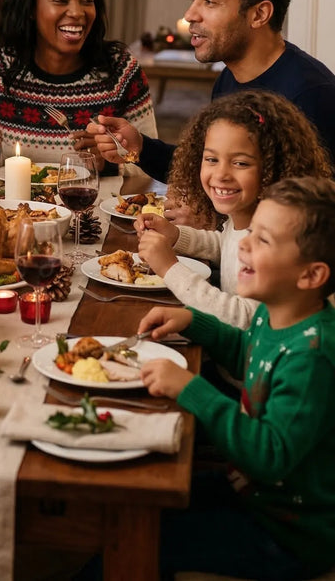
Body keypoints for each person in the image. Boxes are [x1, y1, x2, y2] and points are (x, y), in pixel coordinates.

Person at [138, 177, 335, 581]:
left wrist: (191, 388)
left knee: (141, 536)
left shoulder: (312, 356)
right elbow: (251, 354)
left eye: (263, 240)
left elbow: (269, 454)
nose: (243, 243)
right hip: (252, 492)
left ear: (311, 275)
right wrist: (196, 322)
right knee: (145, 506)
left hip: (289, 532)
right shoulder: (277, 310)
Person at [88, 0, 335, 182]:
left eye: (209, 1)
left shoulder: (311, 95)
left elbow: (314, 212)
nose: (189, 15)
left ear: (259, 14)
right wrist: (140, 147)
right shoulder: (228, 79)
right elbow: (208, 170)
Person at [136, 91, 332, 329]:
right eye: (211, 160)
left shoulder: (276, 236)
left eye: (241, 163)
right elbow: (227, 245)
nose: (221, 174)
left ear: (273, 168)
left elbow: (243, 316)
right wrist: (177, 236)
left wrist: (169, 268)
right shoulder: (244, 217)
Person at [0, 0, 156, 172]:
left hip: (94, 206)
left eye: (87, 0)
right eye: (61, 1)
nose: (77, 12)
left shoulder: (122, 70)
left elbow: (150, 164)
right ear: (31, 8)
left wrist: (109, 163)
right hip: (13, 206)